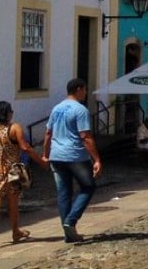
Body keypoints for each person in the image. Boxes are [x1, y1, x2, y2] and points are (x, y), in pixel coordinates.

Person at [0, 101, 45, 249]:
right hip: (12, 170)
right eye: (10, 111)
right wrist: (41, 161)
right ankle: (15, 231)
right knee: (13, 202)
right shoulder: (14, 128)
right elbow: (25, 147)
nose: (12, 113)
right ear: (6, 113)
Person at [43, 79, 102, 243]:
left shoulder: (57, 108)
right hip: (75, 155)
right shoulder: (80, 110)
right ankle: (71, 220)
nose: (85, 93)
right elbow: (85, 137)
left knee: (64, 193)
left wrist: (45, 154)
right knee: (88, 186)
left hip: (57, 155)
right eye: (84, 90)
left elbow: (48, 133)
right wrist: (96, 158)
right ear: (78, 89)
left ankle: (68, 232)